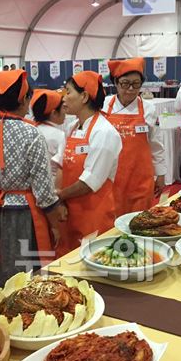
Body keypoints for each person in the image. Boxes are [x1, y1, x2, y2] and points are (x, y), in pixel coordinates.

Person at [0, 70, 67, 303]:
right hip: (25, 218)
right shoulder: (32, 135)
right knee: (25, 278)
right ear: (23, 100)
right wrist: (55, 224)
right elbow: (43, 191)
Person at [53, 71, 122, 258]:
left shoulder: (104, 132)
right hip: (68, 211)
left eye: (68, 92)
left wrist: (58, 197)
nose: (63, 97)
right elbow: (59, 165)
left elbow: (90, 182)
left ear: (84, 96)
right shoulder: (71, 128)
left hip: (93, 214)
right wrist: (58, 201)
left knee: (91, 264)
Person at [105, 58, 166, 216]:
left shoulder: (149, 109)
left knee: (139, 222)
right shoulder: (104, 107)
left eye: (136, 84)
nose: (131, 89)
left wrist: (160, 174)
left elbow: (156, 144)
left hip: (140, 179)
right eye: (125, 83)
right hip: (110, 178)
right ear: (116, 83)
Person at [31, 89, 66, 179]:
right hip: (53, 184)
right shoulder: (59, 135)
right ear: (54, 113)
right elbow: (62, 166)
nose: (65, 112)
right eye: (63, 108)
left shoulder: (30, 131)